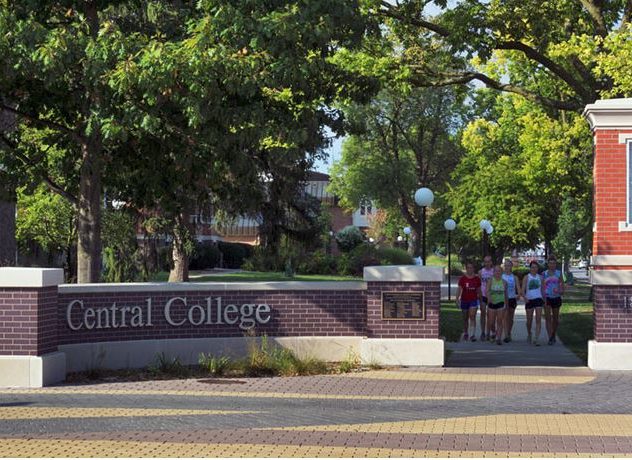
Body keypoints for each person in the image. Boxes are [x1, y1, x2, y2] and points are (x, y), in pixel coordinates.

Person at [455, 261, 483, 342]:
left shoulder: (477, 279)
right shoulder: (462, 279)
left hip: (473, 300)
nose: (470, 269)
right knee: (465, 318)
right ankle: (466, 333)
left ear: (474, 269)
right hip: (464, 300)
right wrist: (457, 299)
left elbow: (479, 291)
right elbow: (459, 289)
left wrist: (481, 301)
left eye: (471, 268)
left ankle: (472, 335)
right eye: (468, 268)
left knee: (472, 316)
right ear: (466, 269)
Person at [521, 260, 545, 346]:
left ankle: (536, 338)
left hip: (538, 299)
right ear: (530, 268)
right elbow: (522, 290)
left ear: (538, 268)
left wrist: (544, 299)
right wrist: (525, 298)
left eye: (535, 267)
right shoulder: (526, 277)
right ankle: (529, 333)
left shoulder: (540, 277)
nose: (534, 269)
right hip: (529, 300)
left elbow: (542, 290)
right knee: (529, 321)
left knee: (538, 319)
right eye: (532, 267)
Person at [543, 256, 565, 345]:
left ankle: (553, 334)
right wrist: (543, 297)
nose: (552, 265)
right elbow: (542, 286)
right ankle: (550, 337)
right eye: (550, 263)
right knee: (548, 318)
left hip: (556, 297)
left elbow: (562, 284)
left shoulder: (559, 273)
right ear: (548, 264)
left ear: (556, 264)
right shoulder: (544, 274)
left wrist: (561, 290)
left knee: (555, 318)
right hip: (547, 297)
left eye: (554, 263)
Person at [486, 265, 507, 345]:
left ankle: (498, 338)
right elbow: (487, 290)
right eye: (496, 271)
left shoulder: (504, 282)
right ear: (493, 272)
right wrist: (489, 298)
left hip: (500, 302)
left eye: (499, 271)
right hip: (492, 303)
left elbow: (505, 294)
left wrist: (506, 304)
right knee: (491, 322)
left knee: (499, 321)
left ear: (501, 272)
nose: (497, 272)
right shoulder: (490, 280)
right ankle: (494, 332)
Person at [502, 259, 520, 343]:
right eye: (505, 266)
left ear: (511, 267)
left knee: (510, 317)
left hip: (512, 298)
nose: (507, 267)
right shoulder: (501, 276)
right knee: (505, 317)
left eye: (508, 266)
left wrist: (518, 294)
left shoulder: (514, 277)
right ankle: (506, 335)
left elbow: (518, 288)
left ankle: (509, 332)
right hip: (503, 299)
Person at [479, 255, 494, 341]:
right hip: (483, 295)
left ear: (491, 262)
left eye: (488, 261)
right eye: (485, 262)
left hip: (491, 296)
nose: (487, 263)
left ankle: (489, 332)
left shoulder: (494, 271)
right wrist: (479, 294)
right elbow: (479, 284)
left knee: (490, 314)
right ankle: (483, 332)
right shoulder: (481, 272)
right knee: (483, 313)